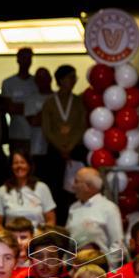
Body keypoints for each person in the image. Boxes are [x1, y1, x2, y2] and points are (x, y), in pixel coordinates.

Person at [42, 65, 87, 223]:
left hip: (75, 151)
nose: (74, 80)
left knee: (76, 187)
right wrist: (61, 147)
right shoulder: (49, 102)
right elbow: (47, 129)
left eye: (75, 77)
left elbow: (82, 125)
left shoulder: (78, 101)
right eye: (71, 77)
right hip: (55, 152)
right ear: (61, 80)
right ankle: (59, 221)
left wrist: (71, 145)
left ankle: (77, 218)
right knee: (56, 189)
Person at [66, 167, 125, 271]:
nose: (73, 185)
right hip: (76, 269)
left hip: (101, 271)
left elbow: (117, 244)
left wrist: (109, 269)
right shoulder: (73, 208)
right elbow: (68, 240)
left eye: (76, 181)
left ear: (88, 186)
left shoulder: (108, 208)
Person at [0, 150, 57, 230]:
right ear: (11, 167)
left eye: (22, 162)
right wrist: (7, 239)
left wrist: (41, 237)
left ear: (29, 166)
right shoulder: (2, 190)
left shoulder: (42, 187)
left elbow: (51, 220)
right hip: (12, 239)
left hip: (38, 239)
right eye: (15, 163)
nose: (19, 166)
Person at [1, 47, 38, 154]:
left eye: (28, 58)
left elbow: (42, 107)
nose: (26, 61)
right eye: (23, 57)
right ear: (17, 59)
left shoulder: (36, 82)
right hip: (16, 135)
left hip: (34, 135)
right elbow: (9, 108)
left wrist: (19, 107)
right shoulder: (8, 83)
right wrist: (31, 108)